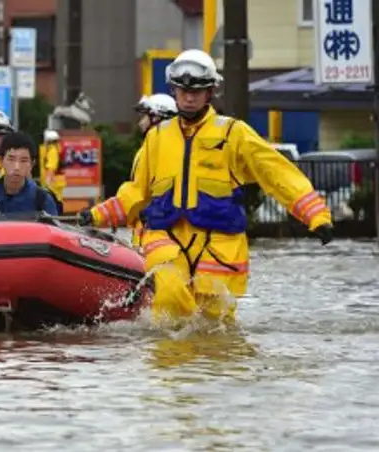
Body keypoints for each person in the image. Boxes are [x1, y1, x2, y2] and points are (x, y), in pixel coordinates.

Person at [77, 49, 334, 325]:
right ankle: (169, 367)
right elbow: (137, 192)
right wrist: (97, 215)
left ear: (210, 92)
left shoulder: (233, 133)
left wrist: (316, 215)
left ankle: (205, 366)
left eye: (197, 91)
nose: (189, 97)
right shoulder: (157, 138)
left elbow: (277, 173)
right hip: (168, 239)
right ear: (174, 91)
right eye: (183, 90)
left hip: (219, 246)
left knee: (213, 325)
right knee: (169, 300)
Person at [130, 93, 179, 249]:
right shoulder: (150, 147)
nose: (140, 123)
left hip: (160, 232)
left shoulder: (167, 150)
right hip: (148, 230)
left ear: (156, 118)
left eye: (144, 117)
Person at [0, 131, 59, 215]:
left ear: (32, 164)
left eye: (23, 161)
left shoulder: (42, 199)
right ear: (1, 160)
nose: (16, 167)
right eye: (11, 159)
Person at [39, 129, 66, 214]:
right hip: (57, 183)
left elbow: (51, 168)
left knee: (54, 204)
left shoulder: (52, 151)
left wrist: (47, 184)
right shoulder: (55, 149)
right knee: (57, 202)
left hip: (53, 185)